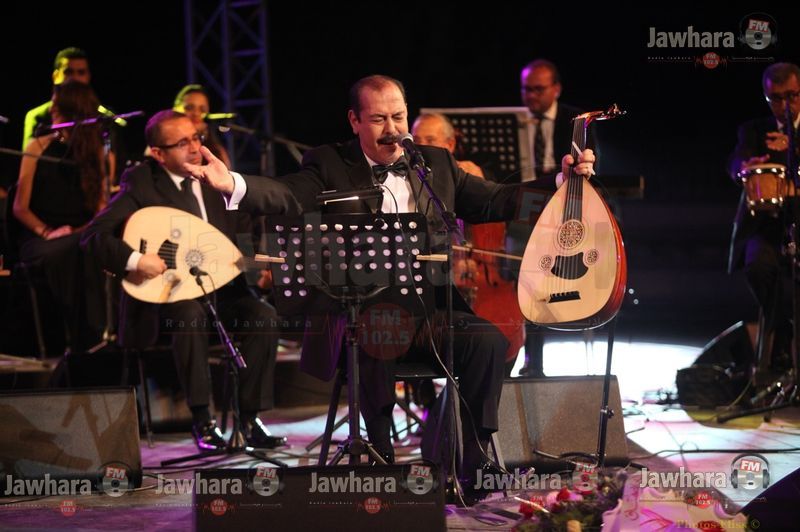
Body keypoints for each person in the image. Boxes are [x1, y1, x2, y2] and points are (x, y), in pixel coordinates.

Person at [185, 75, 595, 492]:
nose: (392, 129)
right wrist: (232, 183)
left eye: (398, 116)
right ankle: (381, 458)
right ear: (355, 121)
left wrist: (560, 183)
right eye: (379, 119)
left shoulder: (435, 163)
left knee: (487, 341)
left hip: (430, 316)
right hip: (357, 316)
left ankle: (473, 458)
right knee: (378, 328)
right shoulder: (329, 163)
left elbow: (495, 199)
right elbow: (286, 194)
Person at [81, 110, 299, 451]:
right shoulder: (142, 181)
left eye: (197, 137)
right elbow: (94, 236)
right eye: (182, 143)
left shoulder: (216, 177)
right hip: (165, 298)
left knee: (263, 316)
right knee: (189, 314)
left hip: (221, 291)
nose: (195, 147)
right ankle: (202, 419)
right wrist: (136, 260)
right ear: (158, 153)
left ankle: (249, 418)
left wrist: (258, 274)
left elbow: (242, 237)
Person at [512, 59, 601, 378]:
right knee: (525, 273)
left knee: (549, 271)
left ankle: (539, 356)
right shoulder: (513, 121)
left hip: (563, 205)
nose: (531, 96)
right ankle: (525, 356)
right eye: (526, 89)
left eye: (539, 89)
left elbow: (591, 167)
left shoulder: (575, 120)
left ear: (556, 89)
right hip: (524, 204)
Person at [13, 81, 110, 352]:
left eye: (57, 105)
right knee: (70, 251)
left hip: (80, 234)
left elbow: (102, 210)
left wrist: (77, 231)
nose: (51, 109)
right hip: (39, 237)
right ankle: (81, 339)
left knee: (91, 247)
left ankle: (103, 334)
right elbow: (19, 207)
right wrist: (47, 232)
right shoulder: (37, 146)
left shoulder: (99, 152)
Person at [728, 62, 800, 379]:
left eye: (792, 96)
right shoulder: (755, 130)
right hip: (767, 225)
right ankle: (780, 327)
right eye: (776, 98)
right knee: (757, 266)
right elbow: (736, 161)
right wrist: (744, 166)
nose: (785, 104)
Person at [22, 48, 92, 150]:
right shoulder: (37, 116)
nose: (75, 78)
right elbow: (28, 155)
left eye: (81, 72)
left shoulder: (103, 116)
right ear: (56, 76)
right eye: (68, 72)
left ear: (88, 76)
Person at [173, 84, 233, 169]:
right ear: (176, 108)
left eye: (202, 109)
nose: (196, 113)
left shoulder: (212, 143)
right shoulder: (166, 140)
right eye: (189, 108)